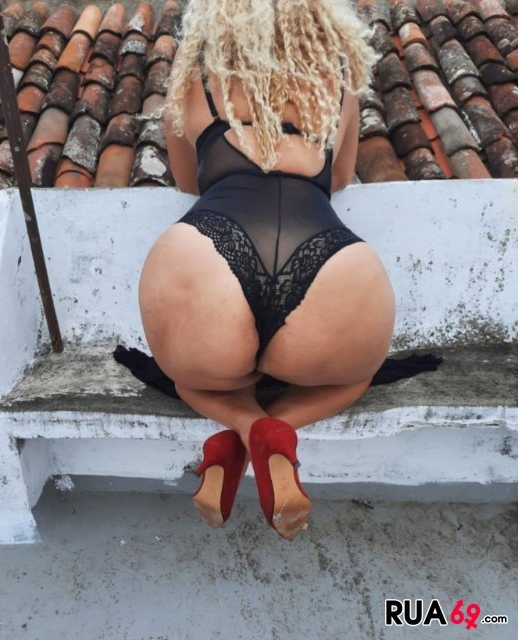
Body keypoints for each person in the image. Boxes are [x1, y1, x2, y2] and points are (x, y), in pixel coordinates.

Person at [115, 0, 442, 541]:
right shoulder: (333, 75)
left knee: (190, 379)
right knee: (355, 376)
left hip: (203, 257)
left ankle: (244, 428)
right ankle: (277, 431)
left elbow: (187, 180)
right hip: (333, 267)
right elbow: (339, 177)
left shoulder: (195, 73)